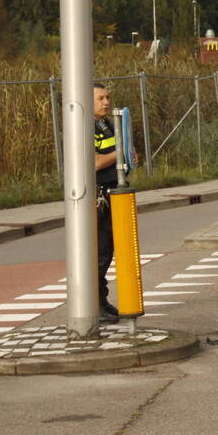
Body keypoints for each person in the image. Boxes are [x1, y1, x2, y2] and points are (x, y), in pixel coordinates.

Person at [93, 83, 121, 323]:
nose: (106, 102)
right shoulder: (85, 126)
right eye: (101, 98)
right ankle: (94, 304)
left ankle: (102, 299)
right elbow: (95, 162)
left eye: (108, 97)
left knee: (108, 250)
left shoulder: (107, 124)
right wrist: (121, 151)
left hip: (112, 192)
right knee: (99, 252)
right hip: (98, 196)